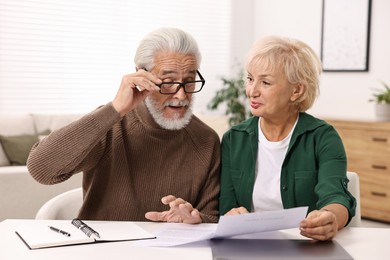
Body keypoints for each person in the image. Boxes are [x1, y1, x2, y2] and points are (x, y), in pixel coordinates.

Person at [27, 27, 220, 224]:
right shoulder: (109, 124)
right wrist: (116, 107)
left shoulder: (207, 140)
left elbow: (211, 218)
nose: (181, 95)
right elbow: (41, 169)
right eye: (168, 82)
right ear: (142, 75)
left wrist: (194, 219)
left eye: (189, 81)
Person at [219, 36, 356, 240]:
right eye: (249, 79)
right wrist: (231, 215)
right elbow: (226, 204)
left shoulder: (323, 137)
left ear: (296, 90)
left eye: (265, 82)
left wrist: (330, 218)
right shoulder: (234, 139)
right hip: (248, 245)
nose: (251, 91)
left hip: (306, 247)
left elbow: (336, 196)